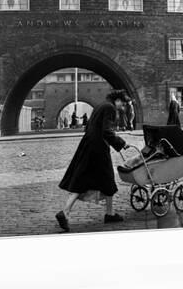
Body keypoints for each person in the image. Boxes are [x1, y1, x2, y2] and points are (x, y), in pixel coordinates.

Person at [55, 90, 131, 232]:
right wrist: (121, 143)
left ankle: (68, 212)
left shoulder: (101, 106)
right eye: (123, 104)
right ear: (118, 100)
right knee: (107, 178)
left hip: (88, 146)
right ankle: (107, 214)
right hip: (98, 148)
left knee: (83, 180)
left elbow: (93, 127)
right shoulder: (110, 108)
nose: (123, 107)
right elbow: (106, 131)